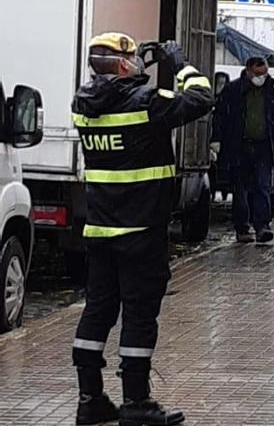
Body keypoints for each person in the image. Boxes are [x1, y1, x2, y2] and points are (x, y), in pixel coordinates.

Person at [71, 32, 213, 425]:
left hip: (100, 231)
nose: (136, 64)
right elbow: (201, 98)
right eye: (131, 59)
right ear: (121, 65)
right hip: (141, 232)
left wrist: (141, 68)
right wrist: (179, 63)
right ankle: (137, 403)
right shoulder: (147, 104)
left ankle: (90, 398)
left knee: (98, 311)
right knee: (138, 314)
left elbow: (115, 93)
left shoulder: (83, 106)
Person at [211, 57, 274, 243]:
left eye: (264, 74)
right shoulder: (233, 91)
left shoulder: (271, 93)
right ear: (248, 71)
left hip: (263, 147)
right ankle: (242, 228)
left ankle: (262, 227)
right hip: (239, 147)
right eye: (258, 74)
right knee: (240, 189)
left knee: (263, 187)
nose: (261, 78)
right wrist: (216, 140)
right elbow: (220, 117)